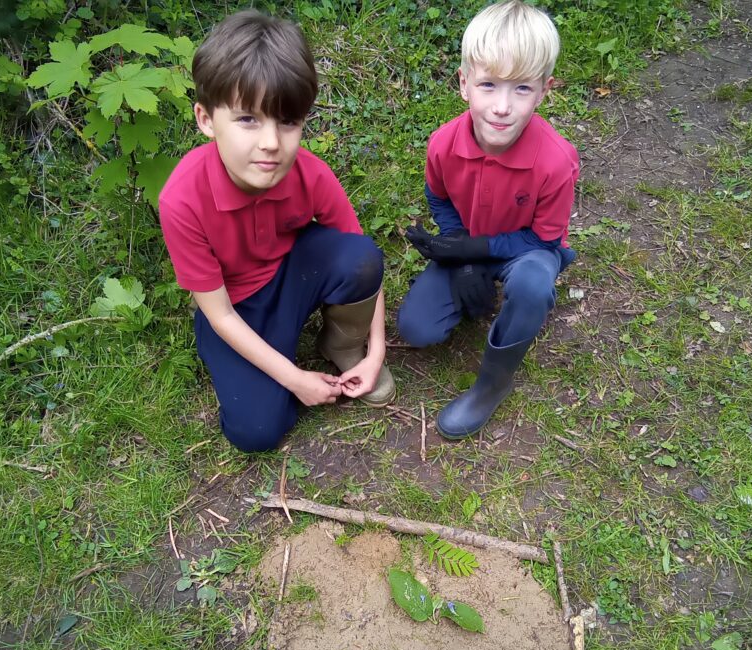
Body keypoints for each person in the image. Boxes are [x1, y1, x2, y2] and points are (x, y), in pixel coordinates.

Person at [159, 10, 395, 452]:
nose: (271, 142)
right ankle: (280, 368)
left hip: (292, 277)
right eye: (248, 119)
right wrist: (294, 379)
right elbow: (219, 314)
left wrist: (376, 351)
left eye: (287, 122)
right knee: (257, 432)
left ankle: (345, 345)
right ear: (206, 119)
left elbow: (365, 254)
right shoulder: (182, 199)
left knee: (360, 256)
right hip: (236, 309)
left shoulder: (310, 174)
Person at [398, 0, 579, 439]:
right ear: (464, 84)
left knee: (534, 282)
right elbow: (438, 197)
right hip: (470, 244)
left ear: (544, 90)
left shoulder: (557, 162)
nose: (501, 106)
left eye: (521, 89)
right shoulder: (442, 144)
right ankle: (475, 290)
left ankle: (492, 384)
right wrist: (461, 253)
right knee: (416, 328)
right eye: (489, 85)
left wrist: (478, 250)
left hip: (528, 251)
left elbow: (544, 239)